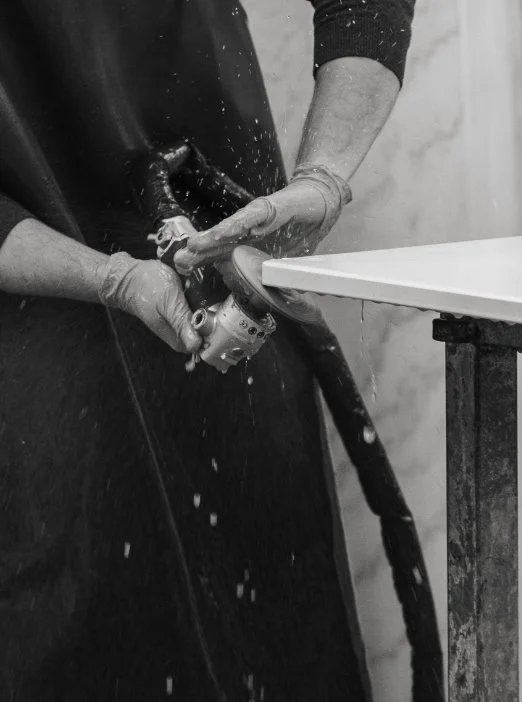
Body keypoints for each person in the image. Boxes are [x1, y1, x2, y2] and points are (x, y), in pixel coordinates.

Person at [0, 1, 415, 700]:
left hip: (227, 258)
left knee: (270, 619)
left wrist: (324, 177)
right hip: (34, 319)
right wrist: (112, 276)